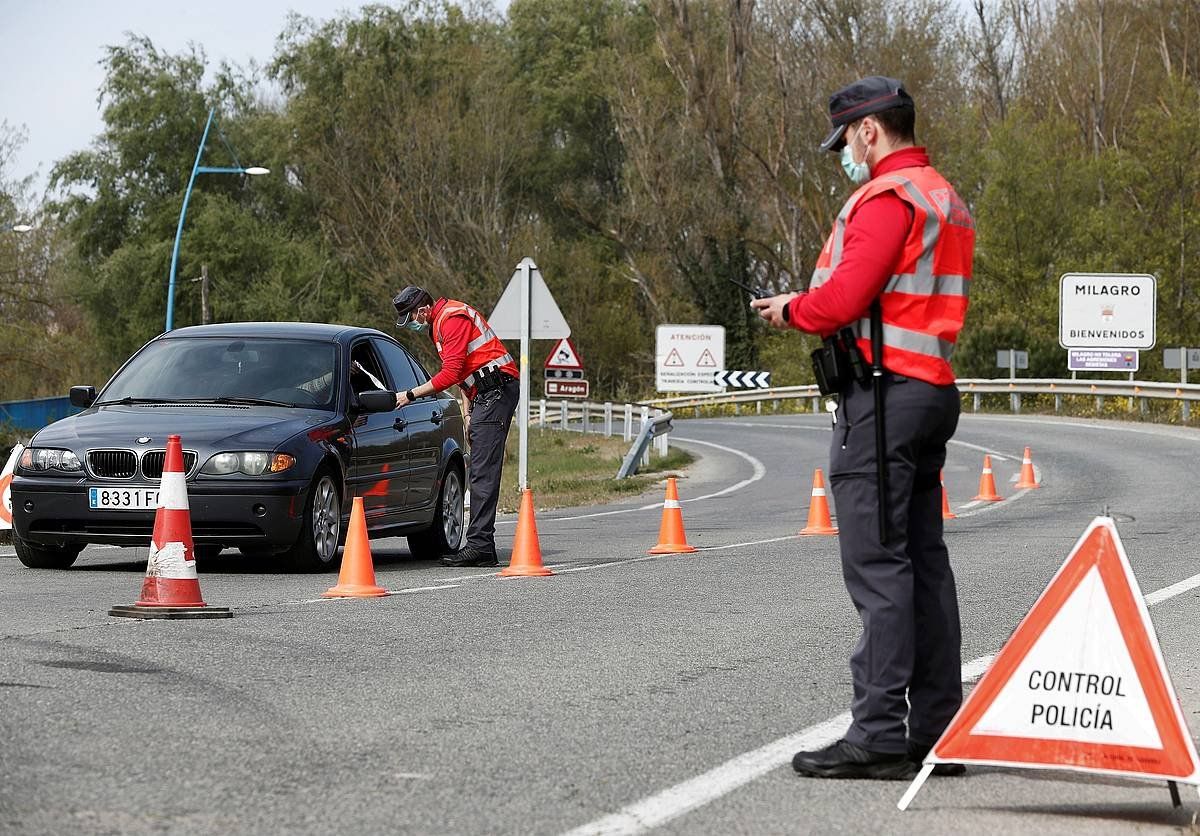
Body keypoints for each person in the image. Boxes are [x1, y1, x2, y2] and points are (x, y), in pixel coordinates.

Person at [751, 76, 975, 780]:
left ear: (870, 131)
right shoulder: (943, 196)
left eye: (846, 139)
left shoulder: (887, 199)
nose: (846, 152)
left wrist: (793, 309)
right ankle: (935, 733)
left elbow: (846, 296)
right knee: (923, 566)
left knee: (879, 567)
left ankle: (878, 731)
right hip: (931, 386)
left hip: (881, 400)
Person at [392, 285, 520, 567]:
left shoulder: (451, 319)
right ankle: (481, 544)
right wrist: (467, 412)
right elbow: (464, 371)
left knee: (483, 471)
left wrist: (411, 394)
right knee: (480, 468)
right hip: (485, 393)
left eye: (411, 316)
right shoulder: (438, 324)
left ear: (422, 309)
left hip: (496, 389)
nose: (411, 323)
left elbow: (450, 373)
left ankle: (480, 546)